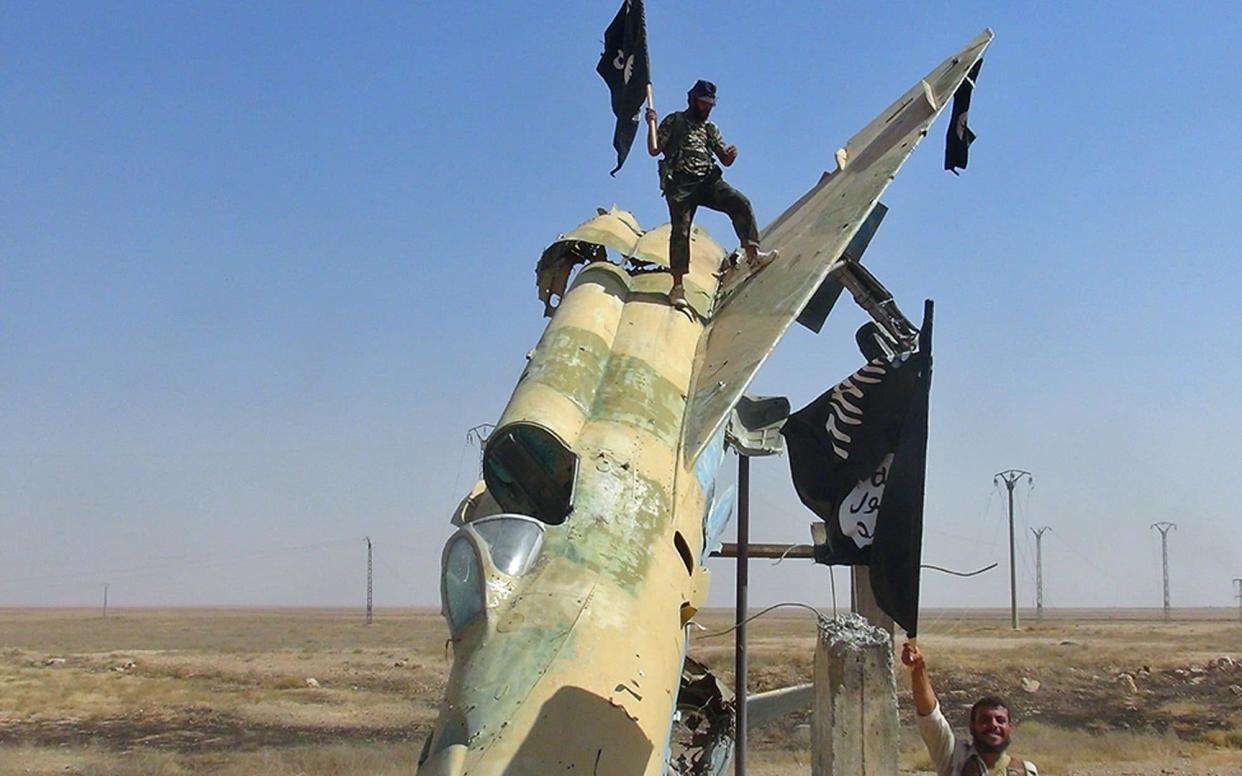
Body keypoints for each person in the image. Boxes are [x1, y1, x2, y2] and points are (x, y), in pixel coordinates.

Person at [645, 79, 776, 311]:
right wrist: (651, 124)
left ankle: (753, 257)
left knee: (739, 202)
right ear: (693, 100)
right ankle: (677, 287)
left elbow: (724, 157)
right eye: (703, 103)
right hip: (681, 185)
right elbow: (654, 150)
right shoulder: (675, 120)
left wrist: (730, 155)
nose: (706, 108)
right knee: (681, 231)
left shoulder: (709, 128)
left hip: (708, 181)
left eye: (710, 104)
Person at [902, 642, 1039, 776]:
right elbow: (930, 715)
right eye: (985, 720)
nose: (993, 725)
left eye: (1000, 720)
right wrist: (918, 668)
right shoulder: (954, 756)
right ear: (972, 726)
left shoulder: (1025, 771)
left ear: (1010, 727)